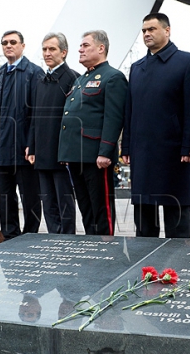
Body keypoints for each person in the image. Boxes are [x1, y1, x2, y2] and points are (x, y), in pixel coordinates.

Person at [121, 13, 190, 238]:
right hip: (142, 152)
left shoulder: (188, 62)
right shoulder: (137, 68)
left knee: (176, 215)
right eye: (144, 31)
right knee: (144, 218)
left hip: (174, 152)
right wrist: (126, 147)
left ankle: (177, 263)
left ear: (167, 31)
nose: (147, 34)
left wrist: (189, 146)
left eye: (152, 29)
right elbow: (130, 111)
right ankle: (144, 266)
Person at [58, 30, 127, 236]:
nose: (80, 49)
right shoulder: (80, 79)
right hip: (77, 155)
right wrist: (66, 152)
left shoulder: (113, 77)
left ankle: (105, 251)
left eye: (85, 45)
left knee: (101, 210)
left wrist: (105, 151)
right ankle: (90, 249)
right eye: (80, 46)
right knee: (86, 209)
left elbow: (113, 118)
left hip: (96, 156)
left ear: (101, 48)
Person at [0, 30, 44, 241]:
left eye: (13, 42)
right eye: (4, 43)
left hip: (24, 149)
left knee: (30, 197)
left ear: (23, 46)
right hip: (1, 147)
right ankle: (10, 236)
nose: (8, 46)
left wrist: (33, 144)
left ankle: (30, 236)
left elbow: (37, 112)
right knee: (5, 196)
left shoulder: (34, 73)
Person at [27, 32, 80, 234]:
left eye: (52, 49)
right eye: (44, 49)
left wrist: (68, 151)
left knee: (64, 200)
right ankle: (52, 238)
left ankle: (67, 240)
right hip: (41, 151)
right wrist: (31, 146)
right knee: (47, 201)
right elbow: (34, 116)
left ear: (64, 52)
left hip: (61, 153)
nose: (47, 53)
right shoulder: (40, 80)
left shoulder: (73, 78)